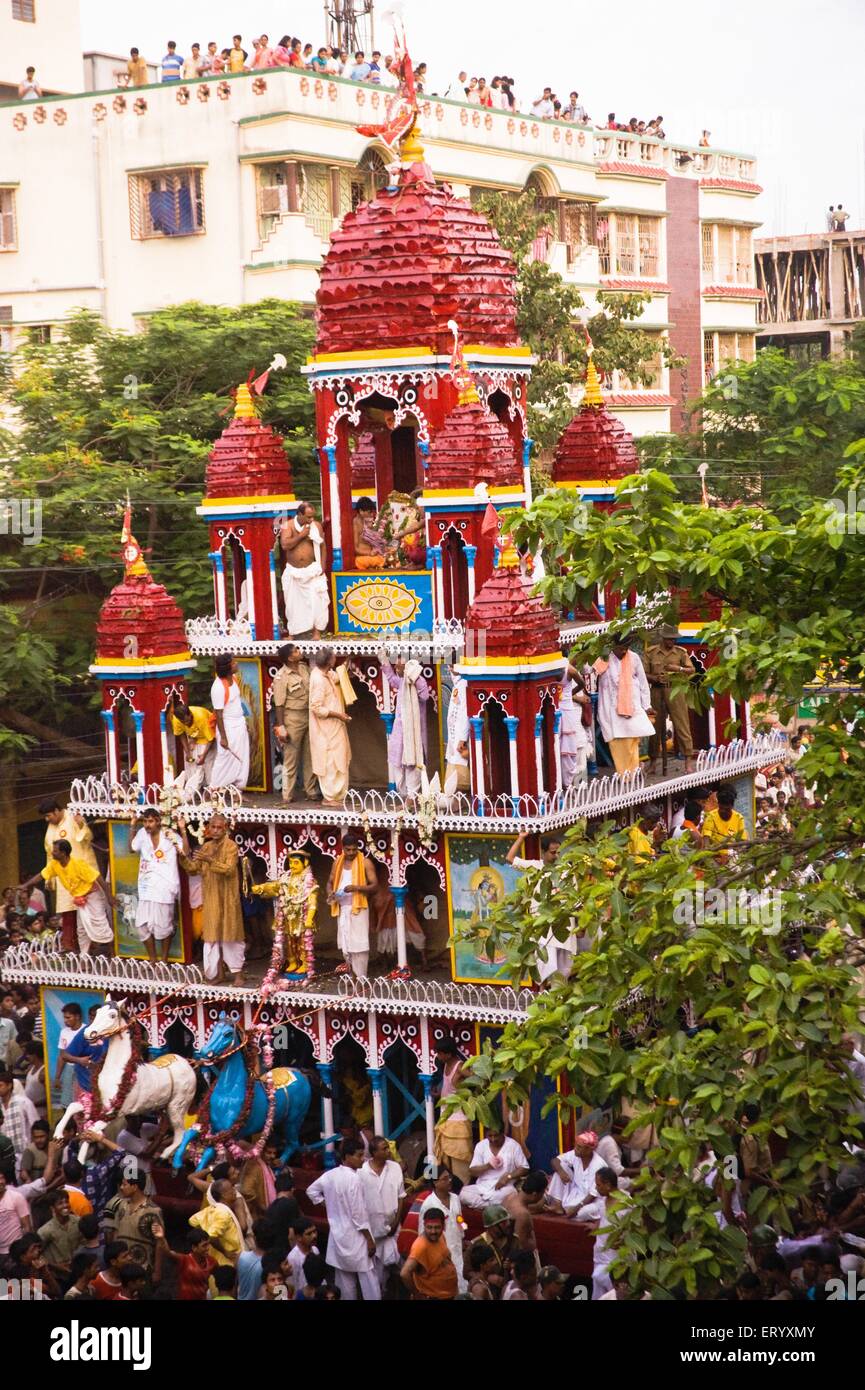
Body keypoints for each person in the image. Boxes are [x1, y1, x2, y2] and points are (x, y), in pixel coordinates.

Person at [306, 1138, 380, 1301]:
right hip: (357, 1237)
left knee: (345, 1284)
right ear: (346, 1157)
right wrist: (369, 1239)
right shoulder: (354, 1179)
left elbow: (311, 1191)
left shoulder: (330, 1175)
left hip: (339, 1238)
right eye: (359, 1155)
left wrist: (329, 1205)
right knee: (369, 1282)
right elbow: (358, 1214)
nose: (363, 1159)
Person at [178, 814, 245, 985]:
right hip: (211, 899)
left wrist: (209, 860)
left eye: (218, 827)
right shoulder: (206, 847)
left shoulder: (231, 846)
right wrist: (182, 858)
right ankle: (219, 974)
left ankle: (238, 975)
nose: (215, 830)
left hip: (228, 899)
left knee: (232, 937)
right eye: (212, 827)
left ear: (225, 828)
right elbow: (194, 869)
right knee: (212, 936)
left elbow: (229, 869)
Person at [19, 841, 115, 958]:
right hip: (80, 899)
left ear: (63, 853)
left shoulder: (78, 864)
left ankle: (112, 950)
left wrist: (109, 897)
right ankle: (84, 957)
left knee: (100, 923)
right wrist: (25, 885)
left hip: (93, 896)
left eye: (55, 851)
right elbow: (41, 875)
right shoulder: (55, 864)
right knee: (81, 929)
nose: (52, 853)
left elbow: (99, 878)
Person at [38, 797, 99, 952]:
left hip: (82, 872)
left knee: (90, 910)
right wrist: (49, 877)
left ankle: (95, 945)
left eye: (48, 815)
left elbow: (88, 838)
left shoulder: (73, 817)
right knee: (68, 910)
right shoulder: (51, 827)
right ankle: (69, 946)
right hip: (63, 874)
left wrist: (81, 825)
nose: (47, 819)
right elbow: (49, 853)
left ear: (57, 811)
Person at [595, 634, 654, 774]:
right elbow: (588, 671)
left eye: (626, 648)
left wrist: (647, 705)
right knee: (617, 743)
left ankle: (632, 773)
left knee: (631, 741)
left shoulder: (633, 658)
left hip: (631, 706)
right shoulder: (604, 658)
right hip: (609, 707)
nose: (623, 652)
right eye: (621, 648)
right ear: (614, 646)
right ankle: (626, 774)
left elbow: (643, 683)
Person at [129, 808, 180, 962]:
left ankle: (163, 960)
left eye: (150, 821)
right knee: (141, 926)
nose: (147, 825)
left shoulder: (170, 835)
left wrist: (183, 831)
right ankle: (153, 959)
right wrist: (133, 825)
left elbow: (185, 851)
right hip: (146, 888)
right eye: (144, 821)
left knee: (164, 927)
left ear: (158, 821)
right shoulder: (142, 834)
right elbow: (131, 848)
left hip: (165, 888)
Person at [645, 624, 697, 771]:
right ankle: (653, 760)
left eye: (674, 639)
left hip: (675, 690)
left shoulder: (680, 652)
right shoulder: (651, 652)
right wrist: (655, 679)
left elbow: (691, 670)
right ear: (663, 638)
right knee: (655, 725)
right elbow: (643, 673)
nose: (672, 642)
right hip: (656, 690)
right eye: (669, 639)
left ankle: (687, 759)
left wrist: (678, 669)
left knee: (682, 724)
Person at [359, 1134, 407, 1294]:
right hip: (374, 1229)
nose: (388, 1151)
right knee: (377, 1272)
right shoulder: (361, 1172)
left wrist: (396, 1222)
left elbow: (401, 1197)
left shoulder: (394, 1168)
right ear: (374, 1153)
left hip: (394, 1225)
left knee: (402, 1265)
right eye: (384, 1148)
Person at [272, 644, 319, 804]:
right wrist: (281, 726)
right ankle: (287, 794)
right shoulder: (281, 676)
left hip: (309, 715)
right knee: (291, 758)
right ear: (290, 657)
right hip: (292, 718)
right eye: (296, 651)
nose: (300, 652)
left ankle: (311, 790)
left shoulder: (304, 668)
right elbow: (279, 704)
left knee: (310, 755)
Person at [327, 834, 376, 978]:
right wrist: (331, 893)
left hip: (359, 909)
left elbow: (375, 886)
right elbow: (330, 882)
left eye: (354, 849)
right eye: (348, 850)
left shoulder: (365, 863)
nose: (351, 853)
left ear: (358, 848)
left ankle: (361, 979)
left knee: (359, 947)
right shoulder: (337, 862)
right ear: (343, 849)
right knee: (346, 946)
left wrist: (357, 887)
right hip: (343, 909)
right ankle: (352, 976)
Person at [279, 501, 329, 638]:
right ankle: (293, 633)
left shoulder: (316, 526)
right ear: (299, 514)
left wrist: (323, 566)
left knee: (317, 602)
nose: (311, 520)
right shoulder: (287, 526)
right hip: (294, 572)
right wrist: (301, 535)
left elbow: (323, 546)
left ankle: (316, 632)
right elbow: (285, 545)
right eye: (308, 517)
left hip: (312, 571)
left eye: (312, 516)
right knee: (293, 605)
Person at [381, 657, 430, 797]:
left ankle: (412, 798)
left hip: (413, 737)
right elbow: (391, 678)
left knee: (412, 765)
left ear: (408, 665)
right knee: (398, 766)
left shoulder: (418, 680)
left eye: (399, 662)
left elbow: (425, 696)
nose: (396, 665)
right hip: (399, 734)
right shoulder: (402, 681)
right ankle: (406, 798)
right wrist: (384, 660)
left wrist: (415, 678)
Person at [309, 649, 352, 805]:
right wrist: (338, 715)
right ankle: (329, 798)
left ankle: (337, 795)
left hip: (334, 726)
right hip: (325, 728)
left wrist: (347, 663)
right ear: (329, 662)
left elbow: (336, 678)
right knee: (330, 761)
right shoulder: (318, 679)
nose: (336, 658)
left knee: (340, 756)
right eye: (334, 657)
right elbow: (316, 708)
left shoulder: (325, 674)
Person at [419, 1168, 468, 1294]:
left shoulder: (455, 1199)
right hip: (440, 1258)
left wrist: (463, 1230)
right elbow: (422, 1235)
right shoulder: (428, 1204)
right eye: (445, 1179)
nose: (450, 1181)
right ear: (435, 1183)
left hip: (458, 1252)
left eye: (450, 1177)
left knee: (462, 1289)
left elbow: (459, 1218)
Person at [433, 1037, 473, 1184]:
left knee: (460, 1160)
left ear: (448, 1054)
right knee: (444, 1158)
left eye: (440, 1053)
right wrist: (439, 1094)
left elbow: (476, 1080)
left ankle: (462, 1187)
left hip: (458, 1119)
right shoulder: (445, 1065)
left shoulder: (460, 1067)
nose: (438, 1056)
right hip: (445, 1117)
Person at [460, 1128, 529, 1212]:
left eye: (496, 1136)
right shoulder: (481, 1145)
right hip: (482, 1186)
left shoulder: (513, 1145)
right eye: (490, 1136)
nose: (493, 1139)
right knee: (463, 1193)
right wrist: (488, 1166)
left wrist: (508, 1176)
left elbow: (524, 1168)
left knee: (505, 1195)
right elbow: (472, 1171)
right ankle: (490, 1207)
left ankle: (484, 1205)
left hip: (504, 1188)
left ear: (502, 1133)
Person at [210, 655, 250, 791]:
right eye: (233, 663)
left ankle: (237, 790)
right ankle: (214, 789)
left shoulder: (234, 679)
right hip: (227, 726)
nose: (236, 663)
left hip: (239, 723)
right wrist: (224, 737)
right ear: (227, 667)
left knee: (242, 757)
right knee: (225, 758)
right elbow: (219, 715)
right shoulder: (218, 687)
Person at [401, 1207, 458, 1299]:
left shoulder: (440, 1236)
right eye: (429, 1227)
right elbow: (404, 1273)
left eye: (437, 1227)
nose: (433, 1232)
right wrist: (417, 1294)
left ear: (443, 1226)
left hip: (449, 1294)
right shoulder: (420, 1247)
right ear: (424, 1225)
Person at [547, 1130, 606, 1213]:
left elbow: (594, 1194)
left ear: (589, 1150)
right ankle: (558, 1204)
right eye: (576, 1145)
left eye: (579, 1147)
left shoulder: (599, 1165)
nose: (575, 1149)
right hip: (576, 1191)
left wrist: (579, 1206)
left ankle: (567, 1209)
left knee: (581, 1213)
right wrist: (561, 1172)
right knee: (561, 1166)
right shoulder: (576, 1154)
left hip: (591, 1199)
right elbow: (554, 1161)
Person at [153, 1222, 216, 1299]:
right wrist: (161, 1238)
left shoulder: (212, 1262)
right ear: (194, 1248)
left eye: (208, 1244)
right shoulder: (184, 1260)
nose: (208, 1248)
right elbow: (168, 1252)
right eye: (204, 1245)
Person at [170, 698, 216, 793]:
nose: (186, 723)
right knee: (190, 762)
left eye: (187, 721)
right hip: (193, 736)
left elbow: (211, 739)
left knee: (207, 763)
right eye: (183, 722)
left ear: (190, 714)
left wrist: (203, 755)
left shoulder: (201, 716)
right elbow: (181, 734)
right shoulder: (176, 719)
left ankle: (212, 791)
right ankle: (192, 791)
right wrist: (187, 752)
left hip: (207, 737)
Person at [559, 658, 591, 787]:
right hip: (564, 708)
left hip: (572, 711)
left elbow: (582, 683)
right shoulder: (560, 668)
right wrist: (576, 698)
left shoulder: (573, 669)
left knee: (579, 744)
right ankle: (566, 783)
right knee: (564, 746)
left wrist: (572, 696)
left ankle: (579, 782)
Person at [37, 1190, 81, 1278]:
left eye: (66, 1202)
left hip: (78, 1271)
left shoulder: (78, 1222)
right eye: (60, 1203)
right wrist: (55, 1266)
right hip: (58, 1276)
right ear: (52, 1208)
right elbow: (37, 1255)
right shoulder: (45, 1230)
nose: (65, 1206)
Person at [444, 665, 471, 793]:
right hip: (454, 732)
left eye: (452, 666)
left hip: (461, 735)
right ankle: (455, 799)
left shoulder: (464, 683)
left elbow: (465, 712)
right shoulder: (457, 683)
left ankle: (462, 798)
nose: (449, 669)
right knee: (453, 759)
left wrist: (462, 739)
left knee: (461, 763)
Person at [352, 497, 392, 569]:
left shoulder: (365, 522)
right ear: (361, 511)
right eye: (369, 512)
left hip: (372, 556)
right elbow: (355, 549)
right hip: (363, 558)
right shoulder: (355, 523)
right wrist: (369, 553)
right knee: (386, 560)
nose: (371, 514)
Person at [0, 1171, 31, 1256]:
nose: (1, 1182)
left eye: (2, 1178)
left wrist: (25, 1248)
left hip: (16, 1249)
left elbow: (27, 1226)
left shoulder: (16, 1197)